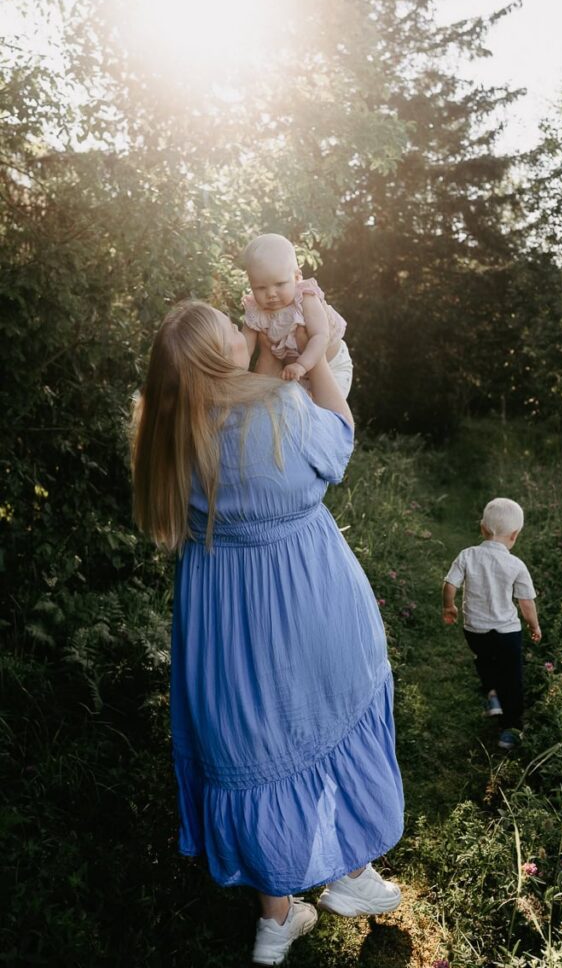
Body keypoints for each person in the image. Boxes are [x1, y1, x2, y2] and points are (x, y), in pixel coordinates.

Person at [130, 300, 403, 965]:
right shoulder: (278, 409)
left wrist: (257, 356)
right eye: (230, 327)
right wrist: (317, 361)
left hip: (221, 611)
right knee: (324, 716)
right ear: (217, 356)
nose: (239, 325)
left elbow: (234, 416)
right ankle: (349, 874)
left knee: (254, 741)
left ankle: (275, 921)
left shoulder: (170, 428)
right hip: (302, 592)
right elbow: (337, 442)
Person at [441, 497, 541, 751]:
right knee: (512, 675)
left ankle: (492, 694)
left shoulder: (467, 555)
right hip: (507, 632)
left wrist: (449, 606)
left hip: (475, 630)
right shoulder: (516, 565)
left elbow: (450, 584)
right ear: (515, 535)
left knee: (484, 660)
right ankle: (510, 729)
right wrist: (534, 626)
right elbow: (526, 603)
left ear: (483, 528)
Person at [241, 232, 353, 397]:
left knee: (323, 409)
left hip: (332, 366)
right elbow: (244, 348)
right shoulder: (255, 309)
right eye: (261, 288)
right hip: (292, 373)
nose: (271, 293)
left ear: (297, 277)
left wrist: (302, 365)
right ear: (251, 284)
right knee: (289, 407)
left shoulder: (305, 298)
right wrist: (234, 374)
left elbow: (321, 336)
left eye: (280, 284)